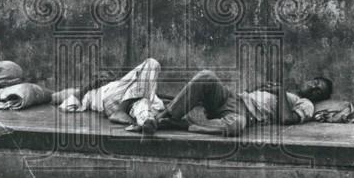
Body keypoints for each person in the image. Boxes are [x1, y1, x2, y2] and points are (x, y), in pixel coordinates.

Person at [153, 71, 332, 137]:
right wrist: (265, 89)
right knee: (206, 76)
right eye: (315, 83)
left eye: (319, 90)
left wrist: (280, 91)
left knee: (236, 126)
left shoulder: (306, 104)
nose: (314, 88)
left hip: (243, 114)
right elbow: (252, 93)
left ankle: (183, 124)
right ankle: (163, 117)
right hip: (233, 98)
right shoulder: (286, 92)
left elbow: (287, 119)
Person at [55, 58, 164, 135]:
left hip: (131, 106)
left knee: (142, 104)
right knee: (152, 63)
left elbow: (158, 106)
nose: (103, 76)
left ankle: (145, 121)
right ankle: (121, 111)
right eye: (98, 75)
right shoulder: (93, 93)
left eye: (106, 74)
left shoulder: (126, 85)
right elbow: (67, 105)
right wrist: (91, 85)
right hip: (110, 100)